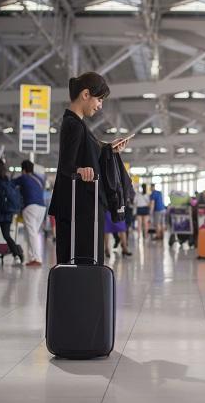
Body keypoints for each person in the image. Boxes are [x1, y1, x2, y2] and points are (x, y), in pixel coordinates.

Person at [48, 72, 129, 265]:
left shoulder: (78, 124)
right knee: (82, 261)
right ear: (86, 94)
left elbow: (89, 152)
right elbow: (66, 165)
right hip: (79, 208)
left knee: (81, 260)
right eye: (99, 99)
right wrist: (80, 170)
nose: (100, 105)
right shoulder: (74, 125)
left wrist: (110, 148)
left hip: (81, 206)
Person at [14, 160, 46, 267]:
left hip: (30, 207)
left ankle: (37, 258)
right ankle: (33, 257)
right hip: (42, 207)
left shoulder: (23, 177)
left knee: (32, 233)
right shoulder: (40, 179)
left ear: (23, 170)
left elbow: (11, 184)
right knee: (33, 233)